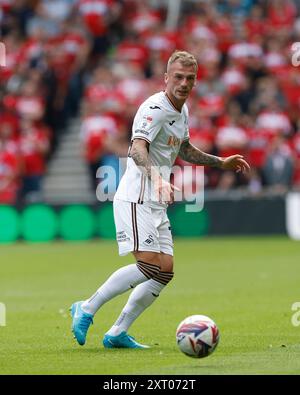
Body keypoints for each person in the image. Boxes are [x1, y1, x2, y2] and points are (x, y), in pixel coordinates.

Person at [70, 50, 250, 349]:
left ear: (195, 81)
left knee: (164, 271)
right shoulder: (154, 107)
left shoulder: (183, 110)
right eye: (177, 77)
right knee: (151, 265)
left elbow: (185, 149)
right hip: (137, 196)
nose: (183, 83)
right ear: (166, 78)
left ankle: (117, 332)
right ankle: (87, 307)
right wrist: (157, 179)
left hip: (155, 199)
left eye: (189, 78)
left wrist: (220, 162)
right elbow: (136, 149)